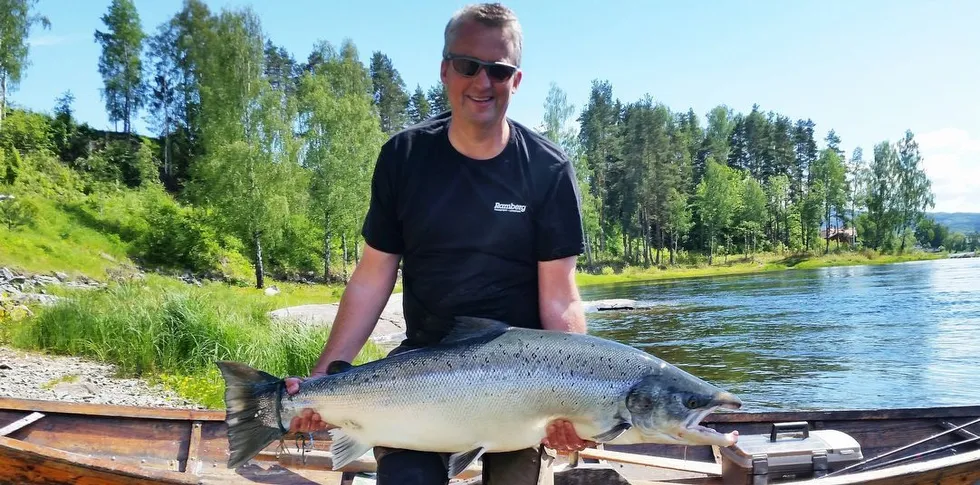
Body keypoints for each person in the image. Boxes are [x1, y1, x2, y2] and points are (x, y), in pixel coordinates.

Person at [285, 3, 592, 483]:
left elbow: (560, 294)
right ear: (446, 69)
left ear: (517, 79)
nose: (482, 82)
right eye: (469, 65)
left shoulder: (548, 170)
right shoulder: (404, 157)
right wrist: (326, 372)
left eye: (499, 69)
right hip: (420, 367)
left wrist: (574, 394)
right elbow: (372, 276)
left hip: (523, 380)